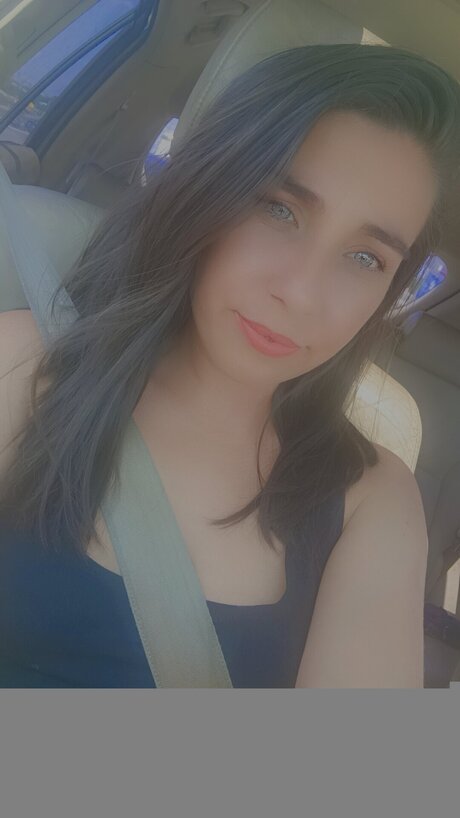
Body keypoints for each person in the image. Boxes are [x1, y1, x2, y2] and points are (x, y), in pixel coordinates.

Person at [0, 43, 459, 688]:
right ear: (208, 189)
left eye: (366, 258)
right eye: (279, 209)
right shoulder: (23, 367)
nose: (300, 293)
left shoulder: (372, 499)